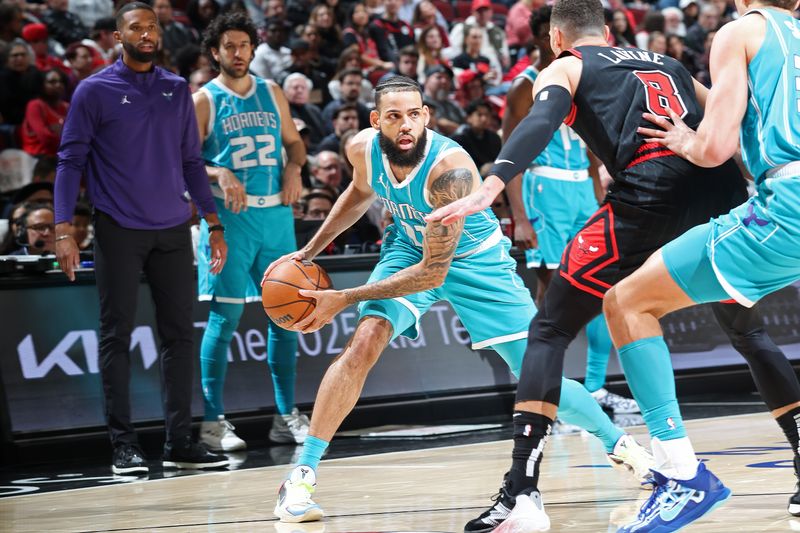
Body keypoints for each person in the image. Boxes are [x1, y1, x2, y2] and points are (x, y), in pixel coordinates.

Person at [426, 0, 800, 529]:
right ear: (608, 31)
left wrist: (493, 182)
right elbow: (726, 118)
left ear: (558, 37)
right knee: (746, 330)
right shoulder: (667, 62)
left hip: (651, 197)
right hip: (719, 192)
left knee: (551, 328)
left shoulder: (566, 64)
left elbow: (540, 120)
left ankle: (523, 495)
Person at [267, 75, 652, 525]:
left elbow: (434, 272)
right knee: (364, 341)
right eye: (394, 116)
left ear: (426, 115)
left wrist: (343, 297)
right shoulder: (362, 148)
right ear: (377, 121)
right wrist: (308, 251)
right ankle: (301, 476)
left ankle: (619, 444)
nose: (406, 125)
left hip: (475, 261)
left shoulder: (450, 169)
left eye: (414, 114)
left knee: (534, 373)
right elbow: (359, 191)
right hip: (408, 245)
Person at [609, 0, 800, 523]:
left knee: (626, 303)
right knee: (747, 329)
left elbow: (716, 148)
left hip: (786, 206)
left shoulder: (739, 33)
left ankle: (682, 475)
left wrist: (683, 138)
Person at [54, 1, 230, 475]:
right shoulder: (94, 91)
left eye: (152, 27)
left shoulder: (177, 89)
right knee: (117, 335)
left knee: (178, 337)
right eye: (137, 27)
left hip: (174, 228)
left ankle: (179, 440)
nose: (147, 34)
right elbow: (70, 161)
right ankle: (123, 445)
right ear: (118, 36)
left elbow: (192, 163)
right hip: (118, 229)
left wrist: (213, 223)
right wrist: (63, 228)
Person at [502, 5, 637, 414]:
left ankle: (594, 387)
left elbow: (596, 149)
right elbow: (509, 154)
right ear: (541, 38)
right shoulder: (524, 85)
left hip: (584, 189)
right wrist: (520, 217)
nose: (553, 39)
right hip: (544, 189)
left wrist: (600, 196)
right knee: (550, 298)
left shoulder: (584, 73)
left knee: (601, 286)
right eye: (544, 34)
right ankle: (545, 398)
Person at [192, 12, 308, 451]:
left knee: (287, 315)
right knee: (226, 318)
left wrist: (295, 166)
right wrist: (217, 171)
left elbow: (295, 144)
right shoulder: (203, 99)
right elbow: (183, 164)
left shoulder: (271, 91)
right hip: (231, 220)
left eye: (244, 45)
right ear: (215, 52)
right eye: (229, 47)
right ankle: (211, 422)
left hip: (276, 216)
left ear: (253, 49)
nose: (238, 53)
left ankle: (285, 416)